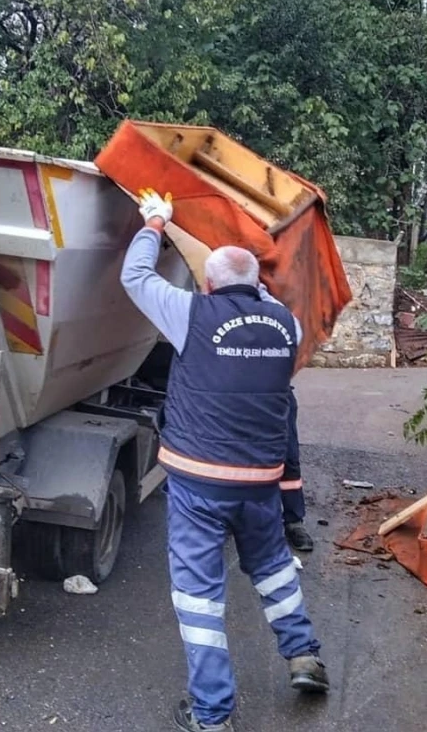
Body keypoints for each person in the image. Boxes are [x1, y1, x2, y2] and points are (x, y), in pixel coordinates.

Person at [121, 189, 329, 732]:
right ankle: (304, 657)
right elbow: (266, 298)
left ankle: (211, 715)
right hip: (260, 483)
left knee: (199, 596)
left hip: (198, 484)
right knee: (274, 569)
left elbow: (136, 279)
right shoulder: (287, 325)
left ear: (209, 285)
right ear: (256, 285)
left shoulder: (192, 313)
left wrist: (156, 222)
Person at [280, 387, 314, 552]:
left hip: (276, 393)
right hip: (233, 394)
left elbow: (300, 360)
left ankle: (294, 521)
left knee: (288, 457)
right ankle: (229, 517)